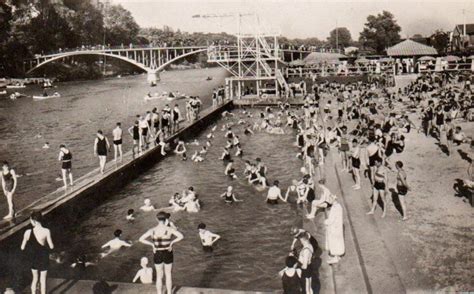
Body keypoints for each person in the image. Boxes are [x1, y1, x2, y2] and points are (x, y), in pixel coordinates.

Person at [139, 211, 184, 294]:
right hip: (167, 252)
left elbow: (141, 239)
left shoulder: (152, 230)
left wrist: (152, 245)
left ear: (156, 219)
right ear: (165, 219)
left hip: (157, 253)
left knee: (159, 276)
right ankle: (169, 293)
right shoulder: (169, 229)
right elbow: (181, 236)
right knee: (168, 274)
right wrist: (171, 243)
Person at [20, 212, 54, 294]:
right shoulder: (46, 231)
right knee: (43, 280)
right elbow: (51, 246)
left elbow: (22, 247)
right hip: (43, 257)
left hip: (33, 257)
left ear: (33, 220)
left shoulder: (27, 232)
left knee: (35, 278)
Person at [325, 196, 345, 264]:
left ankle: (335, 257)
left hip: (334, 228)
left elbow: (331, 219)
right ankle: (338, 256)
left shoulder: (335, 208)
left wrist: (326, 222)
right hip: (338, 227)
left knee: (334, 242)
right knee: (338, 241)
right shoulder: (339, 206)